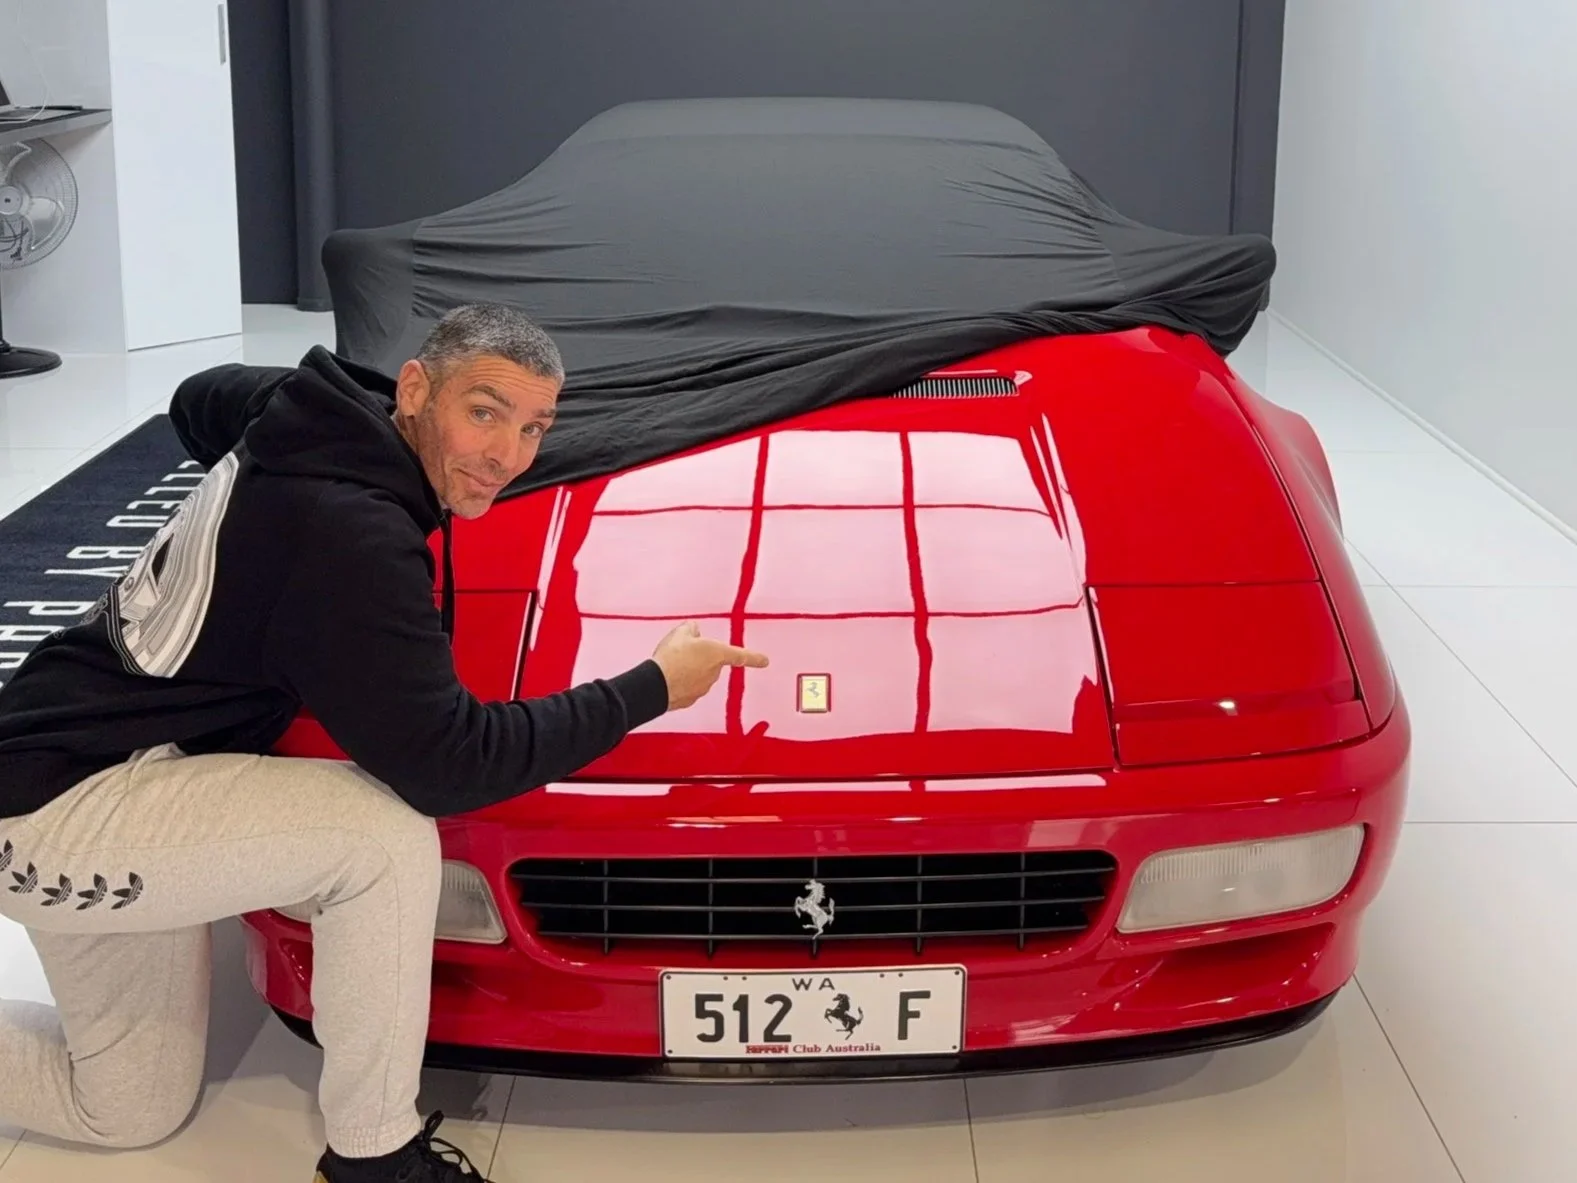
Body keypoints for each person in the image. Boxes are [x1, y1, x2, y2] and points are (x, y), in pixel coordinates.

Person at [0, 303, 768, 1182]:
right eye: (483, 413)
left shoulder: (307, 406)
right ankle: (375, 1154)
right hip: (56, 809)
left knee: (125, 1111)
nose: (507, 456)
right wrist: (650, 688)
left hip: (101, 747)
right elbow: (449, 765)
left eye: (533, 427)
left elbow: (194, 399)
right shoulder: (351, 536)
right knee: (383, 839)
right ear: (414, 389)